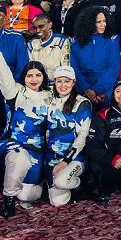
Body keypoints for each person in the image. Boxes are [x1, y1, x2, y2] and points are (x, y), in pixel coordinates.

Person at [0, 38, 53, 217]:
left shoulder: (50, 95)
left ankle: (35, 183)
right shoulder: (15, 91)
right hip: (14, 144)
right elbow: (3, 72)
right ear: (24, 77)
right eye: (30, 75)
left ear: (43, 77)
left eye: (38, 75)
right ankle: (8, 199)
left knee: (29, 195)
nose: (34, 79)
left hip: (38, 149)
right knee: (19, 158)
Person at [41, 67, 94, 206]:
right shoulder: (49, 100)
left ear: (73, 82)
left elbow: (82, 136)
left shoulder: (82, 103)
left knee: (61, 182)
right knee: (57, 202)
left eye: (67, 81)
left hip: (74, 157)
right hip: (52, 156)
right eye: (59, 81)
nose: (63, 85)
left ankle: (81, 184)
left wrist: (66, 160)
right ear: (54, 82)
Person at [70, 7, 121, 104]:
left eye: (104, 21)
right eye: (99, 22)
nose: (103, 25)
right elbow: (74, 69)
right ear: (89, 23)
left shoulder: (112, 40)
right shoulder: (75, 42)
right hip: (82, 88)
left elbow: (113, 69)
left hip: (106, 88)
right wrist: (86, 89)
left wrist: (96, 90)